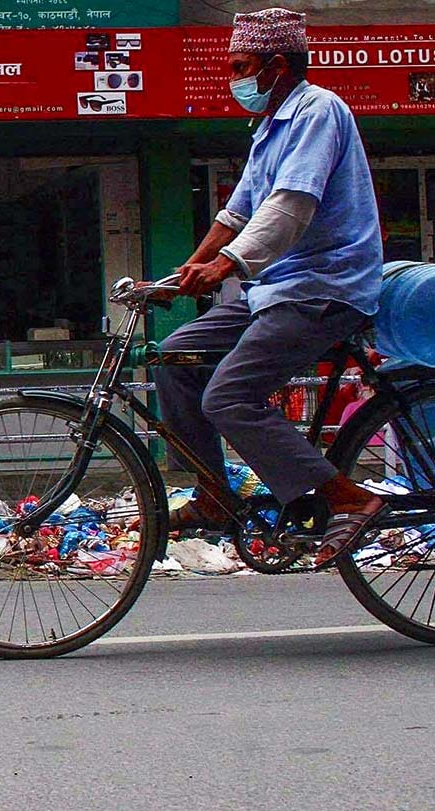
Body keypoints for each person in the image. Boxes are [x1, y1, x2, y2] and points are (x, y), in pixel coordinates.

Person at [149, 8, 384, 562]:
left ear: (278, 66)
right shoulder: (268, 129)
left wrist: (227, 266)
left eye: (241, 67)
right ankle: (213, 491)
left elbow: (290, 207)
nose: (235, 81)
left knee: (229, 395)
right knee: (173, 357)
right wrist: (182, 274)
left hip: (324, 288)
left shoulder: (318, 112)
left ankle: (348, 498)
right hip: (272, 290)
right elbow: (236, 213)